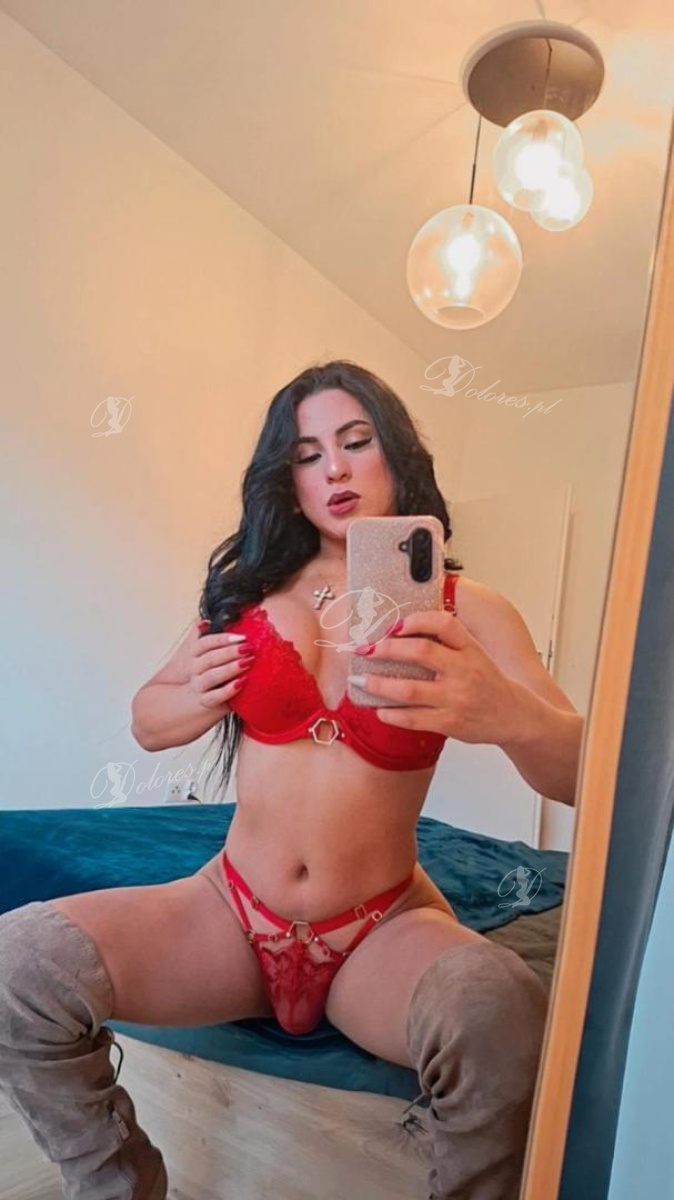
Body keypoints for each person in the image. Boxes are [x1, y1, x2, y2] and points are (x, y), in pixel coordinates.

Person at [0, 360, 582, 1199]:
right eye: (308, 455)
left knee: (500, 1009)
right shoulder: (246, 597)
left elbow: (587, 777)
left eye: (356, 441)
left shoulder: (465, 607)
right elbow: (147, 719)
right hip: (230, 913)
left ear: (397, 454)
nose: (334, 469)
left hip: (378, 931)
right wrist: (197, 698)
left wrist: (506, 713)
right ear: (289, 479)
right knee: (19, 962)